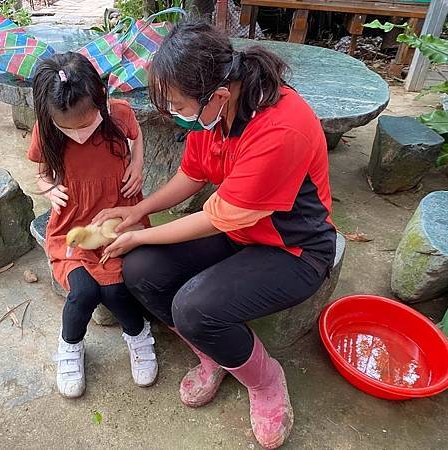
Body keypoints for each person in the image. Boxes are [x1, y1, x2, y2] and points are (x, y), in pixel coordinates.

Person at [93, 20, 336, 449]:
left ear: (219, 94)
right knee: (142, 271)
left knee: (193, 307)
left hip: (293, 249)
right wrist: (137, 212)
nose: (176, 114)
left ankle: (264, 379)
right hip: (241, 232)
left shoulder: (281, 129)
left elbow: (219, 216)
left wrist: (140, 234)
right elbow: (192, 174)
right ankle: (218, 353)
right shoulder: (218, 112)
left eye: (180, 105)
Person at [28, 53, 158, 399]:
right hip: (74, 226)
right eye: (69, 127)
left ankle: (139, 333)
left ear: (101, 97)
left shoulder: (119, 114)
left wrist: (138, 162)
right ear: (49, 115)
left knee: (117, 290)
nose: (81, 134)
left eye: (87, 123)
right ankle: (70, 346)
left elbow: (136, 134)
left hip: (119, 218)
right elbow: (40, 173)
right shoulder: (46, 130)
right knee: (84, 292)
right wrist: (49, 188)